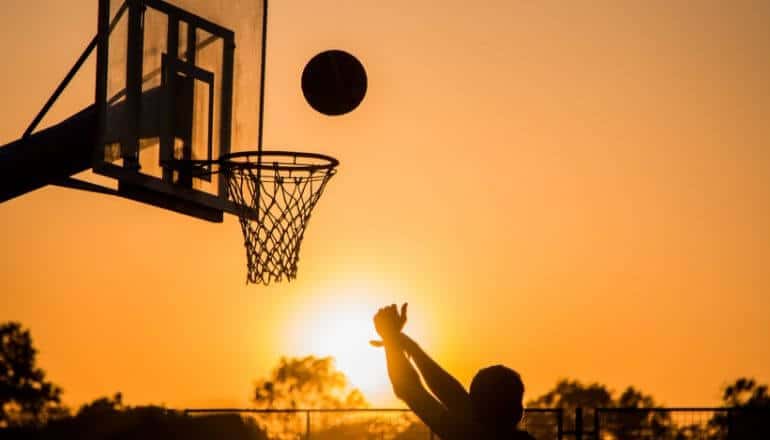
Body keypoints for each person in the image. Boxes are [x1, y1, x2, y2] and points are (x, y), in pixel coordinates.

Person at [371, 304, 535, 440]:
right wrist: (403, 342)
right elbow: (452, 396)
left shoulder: (466, 435)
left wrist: (391, 339)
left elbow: (409, 389)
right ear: (519, 411)